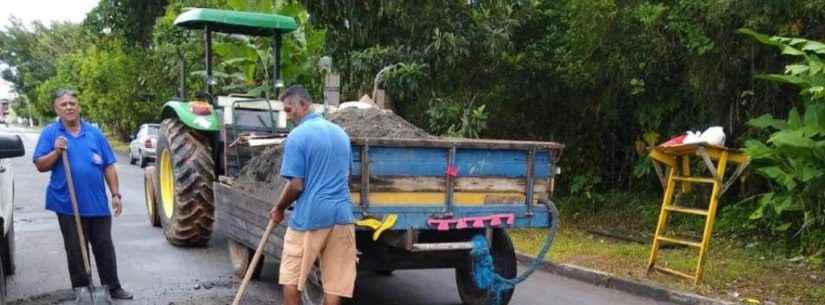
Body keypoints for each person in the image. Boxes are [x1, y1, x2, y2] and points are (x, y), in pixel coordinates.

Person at [33, 89, 133, 300]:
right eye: (64, 104)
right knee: (76, 250)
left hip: (96, 202)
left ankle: (113, 287)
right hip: (67, 203)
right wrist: (57, 152)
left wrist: (115, 194)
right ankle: (82, 290)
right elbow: (40, 165)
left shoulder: (94, 133)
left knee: (104, 245)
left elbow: (109, 166)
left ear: (78, 106)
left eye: (72, 103)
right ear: (56, 109)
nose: (69, 107)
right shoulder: (51, 133)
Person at [270, 85, 357, 305]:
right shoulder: (341, 134)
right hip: (342, 217)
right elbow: (346, 179)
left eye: (289, 110)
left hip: (311, 218)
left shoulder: (297, 136)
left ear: (304, 105)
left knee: (291, 279)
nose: (287, 116)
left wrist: (279, 208)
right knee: (334, 285)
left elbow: (296, 185)